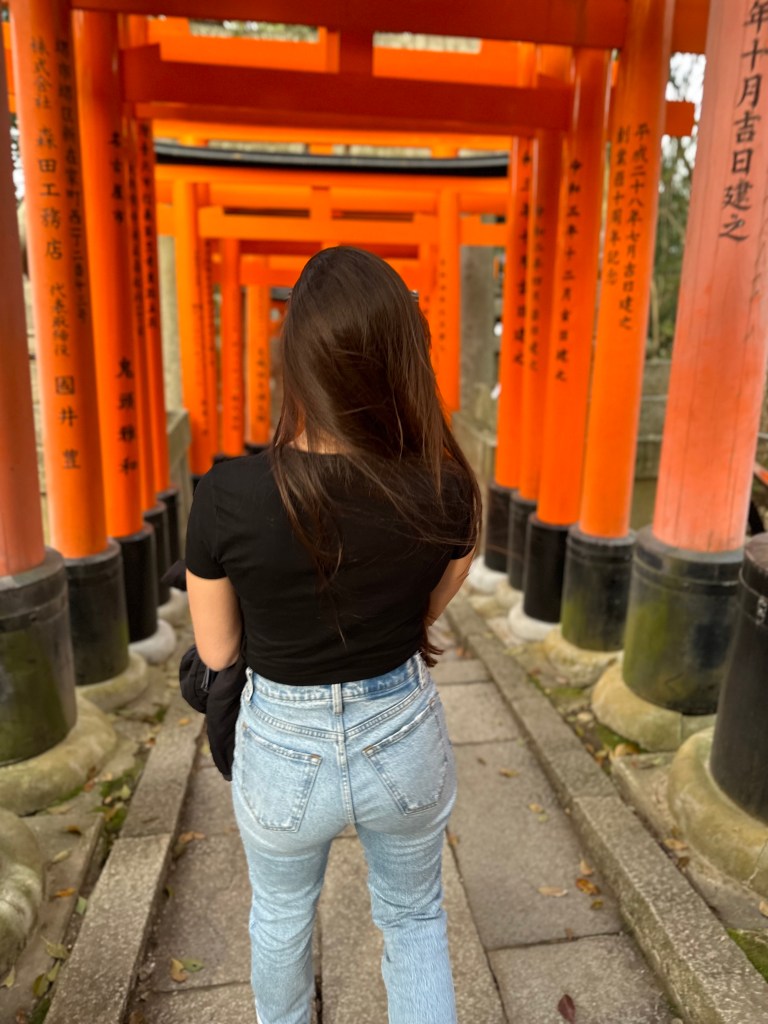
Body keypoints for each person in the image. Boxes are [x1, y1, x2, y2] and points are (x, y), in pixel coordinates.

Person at [185, 245, 481, 1024]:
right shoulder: (447, 490)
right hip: (403, 728)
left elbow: (217, 654)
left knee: (281, 920)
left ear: (298, 363)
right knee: (414, 919)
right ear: (399, 360)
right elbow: (425, 610)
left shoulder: (227, 496)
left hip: (282, 740)